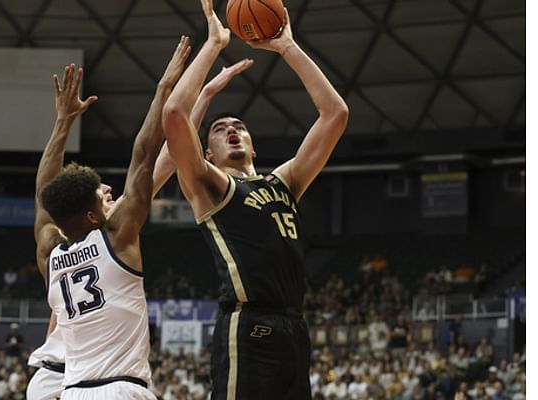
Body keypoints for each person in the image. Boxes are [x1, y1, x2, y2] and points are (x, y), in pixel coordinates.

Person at [161, 0, 349, 398]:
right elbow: (175, 114)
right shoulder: (209, 185)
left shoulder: (284, 182)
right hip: (247, 327)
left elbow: (335, 114)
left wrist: (287, 47)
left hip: (294, 328)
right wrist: (213, 48)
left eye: (240, 127)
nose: (232, 130)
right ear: (206, 152)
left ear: (253, 146)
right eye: (220, 129)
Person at [27, 36, 191, 400]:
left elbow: (43, 197)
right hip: (121, 389)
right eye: (102, 201)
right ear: (91, 215)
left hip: (71, 391)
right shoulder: (115, 237)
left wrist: (63, 122)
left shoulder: (51, 255)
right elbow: (145, 155)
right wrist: (164, 88)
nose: (109, 201)